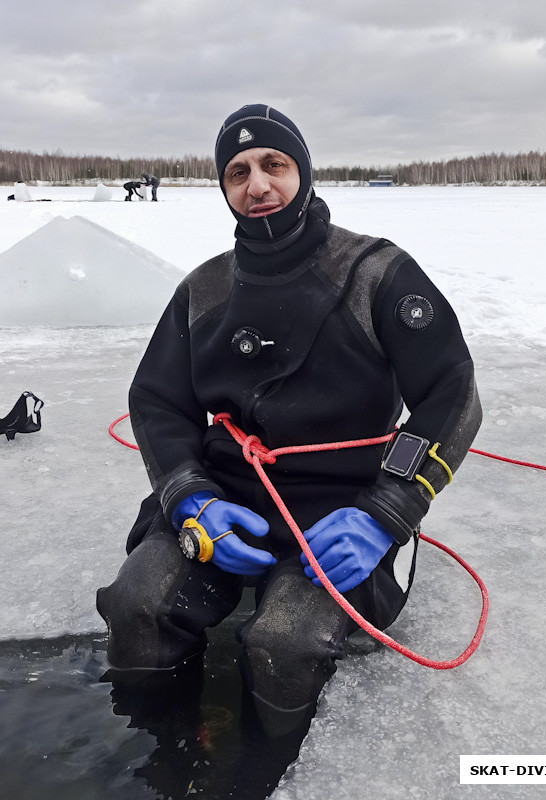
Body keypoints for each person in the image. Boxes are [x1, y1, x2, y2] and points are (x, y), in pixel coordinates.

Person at [97, 104, 482, 738]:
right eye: (237, 172)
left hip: (341, 508)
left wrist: (386, 512)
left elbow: (452, 394)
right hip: (226, 502)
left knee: (285, 645)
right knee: (139, 608)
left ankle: (264, 764)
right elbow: (157, 401)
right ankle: (159, 758)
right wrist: (189, 495)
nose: (257, 186)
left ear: (303, 172)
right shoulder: (204, 288)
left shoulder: (376, 273)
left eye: (274, 165)